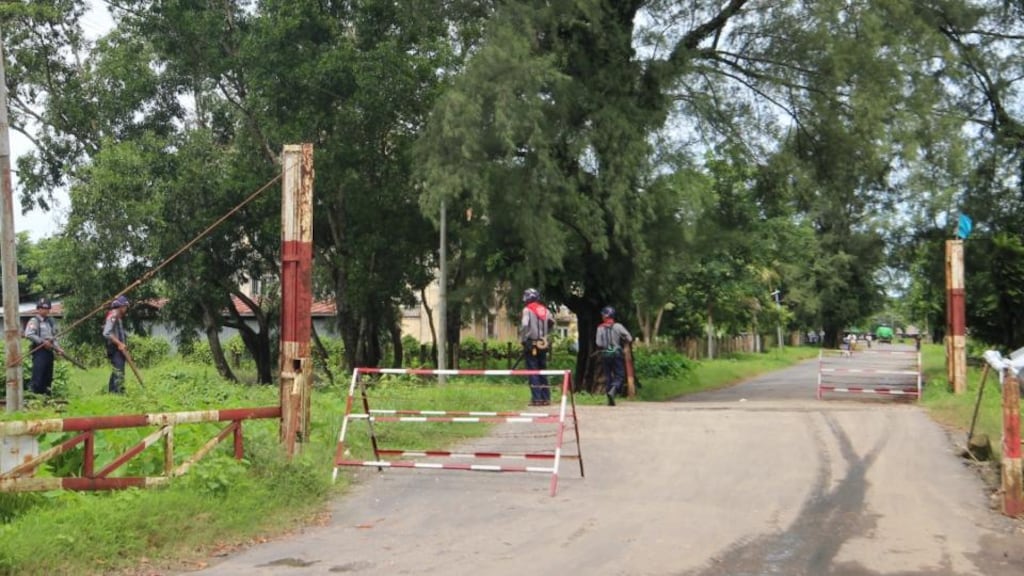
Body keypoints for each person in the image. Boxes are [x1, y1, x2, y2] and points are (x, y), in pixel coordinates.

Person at [519, 288, 553, 406]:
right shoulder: (545, 310)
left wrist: (523, 339)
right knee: (543, 370)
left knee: (533, 370)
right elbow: (551, 323)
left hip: (531, 343)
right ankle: (546, 397)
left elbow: (524, 325)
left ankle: (536, 398)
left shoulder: (527, 310)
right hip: (543, 343)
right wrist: (545, 334)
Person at [23, 298, 62, 395]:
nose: (45, 310)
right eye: (42, 308)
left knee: (48, 375)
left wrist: (58, 348)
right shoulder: (34, 321)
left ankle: (46, 395)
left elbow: (54, 337)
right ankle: (35, 395)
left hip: (49, 351)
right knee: (38, 375)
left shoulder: (51, 321)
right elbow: (29, 334)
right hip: (39, 351)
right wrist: (42, 342)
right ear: (38, 309)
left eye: (47, 308)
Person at [595, 306, 632, 406]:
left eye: (603, 314)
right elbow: (629, 337)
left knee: (608, 376)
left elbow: (598, 343)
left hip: (606, 354)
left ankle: (609, 398)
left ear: (606, 316)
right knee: (620, 375)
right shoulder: (618, 326)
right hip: (616, 352)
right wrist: (624, 342)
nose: (602, 316)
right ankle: (614, 390)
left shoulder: (600, 328)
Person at [103, 295, 130, 394]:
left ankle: (114, 393)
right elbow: (107, 333)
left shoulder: (118, 317)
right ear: (122, 306)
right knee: (119, 370)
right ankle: (117, 393)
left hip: (119, 348)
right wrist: (119, 343)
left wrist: (123, 344)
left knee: (118, 370)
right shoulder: (113, 316)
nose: (126, 309)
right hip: (114, 348)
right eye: (125, 307)